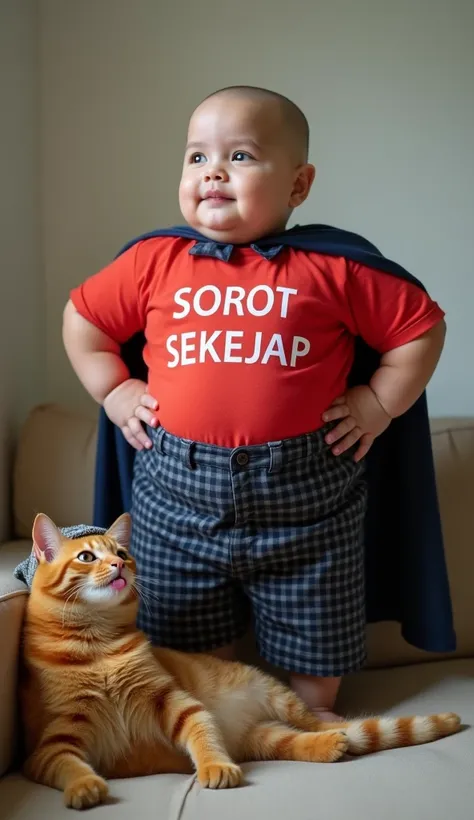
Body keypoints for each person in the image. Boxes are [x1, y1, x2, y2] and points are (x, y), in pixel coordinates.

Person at [63, 86, 447, 720]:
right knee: (190, 643)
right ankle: (221, 709)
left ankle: (311, 716)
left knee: (318, 633)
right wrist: (114, 388)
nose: (212, 171)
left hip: (307, 497)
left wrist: (379, 403)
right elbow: (84, 318)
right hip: (176, 494)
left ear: (299, 185)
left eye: (240, 155)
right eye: (196, 157)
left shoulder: (337, 268)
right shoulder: (153, 261)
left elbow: (420, 328)